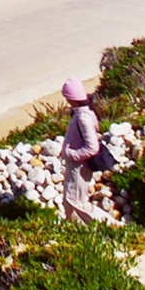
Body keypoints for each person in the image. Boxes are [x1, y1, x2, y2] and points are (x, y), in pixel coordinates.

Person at [60, 77, 105, 223]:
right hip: (77, 165)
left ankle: (109, 225)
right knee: (71, 201)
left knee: (76, 201)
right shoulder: (86, 113)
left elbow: (92, 147)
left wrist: (72, 154)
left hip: (79, 166)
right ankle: (76, 229)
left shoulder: (83, 117)